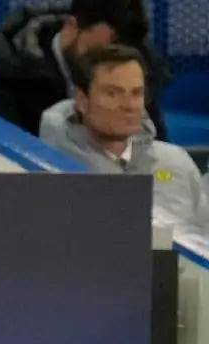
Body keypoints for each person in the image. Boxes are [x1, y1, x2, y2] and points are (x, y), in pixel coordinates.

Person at [40, 44, 208, 239]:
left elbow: (203, 240)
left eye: (136, 93)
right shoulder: (50, 169)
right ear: (82, 100)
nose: (128, 105)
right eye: (112, 93)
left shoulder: (175, 162)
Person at [0, 0, 166, 139]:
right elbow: (2, 161)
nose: (109, 66)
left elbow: (160, 161)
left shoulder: (137, 70)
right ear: (72, 26)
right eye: (98, 51)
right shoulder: (7, 75)